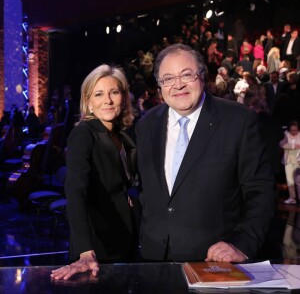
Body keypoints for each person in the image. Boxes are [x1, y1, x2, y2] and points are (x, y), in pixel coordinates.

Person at [136, 43, 275, 262]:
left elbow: (261, 191)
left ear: (202, 75)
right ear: (159, 85)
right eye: (168, 78)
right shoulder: (146, 125)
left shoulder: (238, 120)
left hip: (214, 262)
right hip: (154, 260)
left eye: (187, 75)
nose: (178, 85)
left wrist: (242, 244)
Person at [51, 64, 137, 280]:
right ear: (89, 101)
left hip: (124, 238)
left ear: (123, 98)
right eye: (99, 94)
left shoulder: (123, 135)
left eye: (114, 92)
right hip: (96, 245)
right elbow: (75, 193)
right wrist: (84, 250)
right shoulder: (84, 134)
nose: (107, 100)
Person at [279, 120, 300, 205]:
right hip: (288, 160)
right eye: (292, 130)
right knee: (290, 181)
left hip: (298, 160)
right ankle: (292, 198)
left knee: (298, 180)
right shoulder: (285, 134)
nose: (294, 132)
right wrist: (293, 146)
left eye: (295, 130)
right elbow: (281, 144)